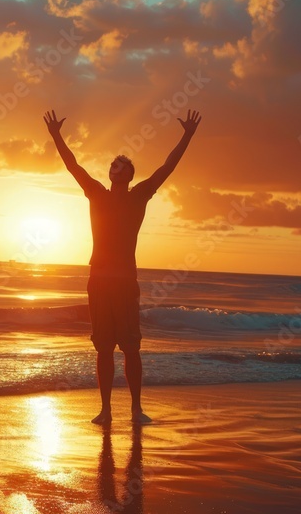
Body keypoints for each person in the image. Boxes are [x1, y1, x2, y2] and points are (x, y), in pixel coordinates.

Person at [43, 109, 202, 424]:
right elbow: (72, 165)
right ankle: (105, 409)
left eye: (119, 165)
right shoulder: (96, 194)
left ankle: (136, 409)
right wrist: (56, 135)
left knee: (131, 347)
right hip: (99, 280)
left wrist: (187, 135)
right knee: (103, 348)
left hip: (126, 281)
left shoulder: (140, 195)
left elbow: (166, 167)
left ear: (128, 174)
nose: (113, 167)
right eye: (112, 165)